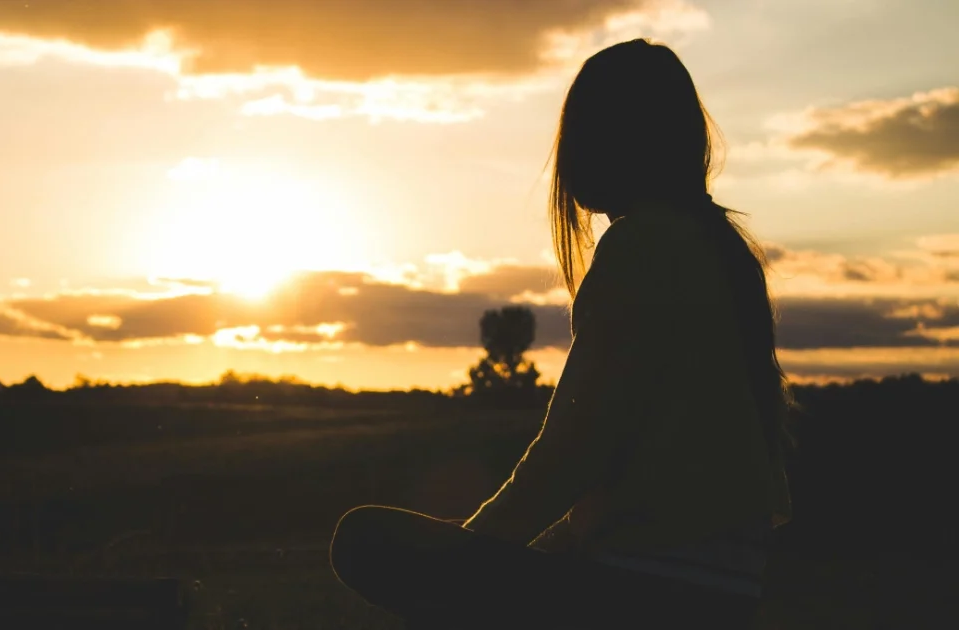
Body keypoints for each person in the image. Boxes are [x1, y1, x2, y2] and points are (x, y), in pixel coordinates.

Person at [329, 38, 794, 629]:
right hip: (723, 594)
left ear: (617, 140)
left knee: (363, 538)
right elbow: (632, 460)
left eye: (580, 132)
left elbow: (576, 444)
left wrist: (477, 549)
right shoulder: (724, 252)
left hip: (646, 593)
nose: (568, 156)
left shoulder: (642, 246)